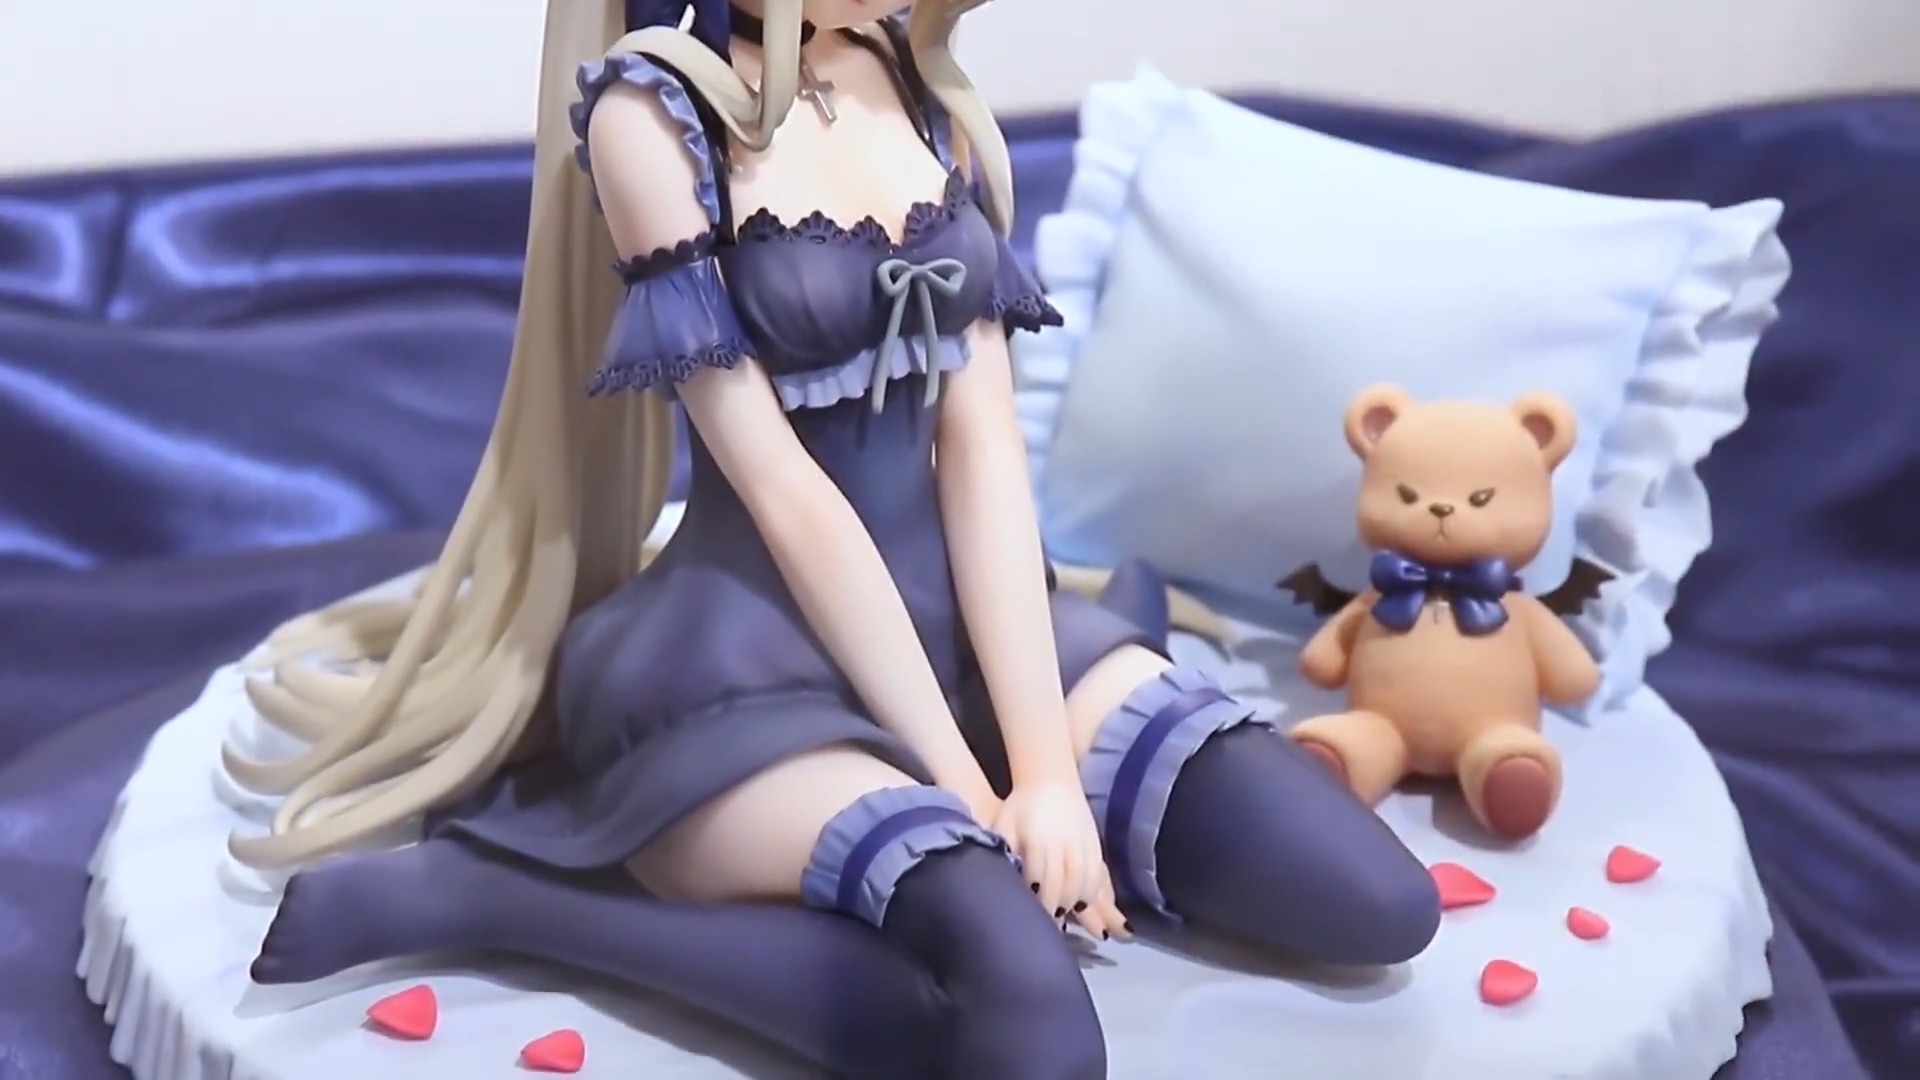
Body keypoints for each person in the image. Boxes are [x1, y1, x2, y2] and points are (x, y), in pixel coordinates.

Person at [228, 1, 1442, 1075]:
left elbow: (981, 446)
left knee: (1376, 904)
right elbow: (786, 494)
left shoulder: (910, 75)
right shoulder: (656, 116)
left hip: (967, 621)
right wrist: (970, 793)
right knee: (1030, 1038)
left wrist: (1046, 774)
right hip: (752, 662)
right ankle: (512, 902)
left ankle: (1042, 782)